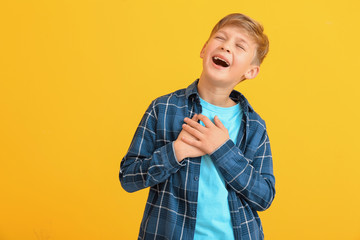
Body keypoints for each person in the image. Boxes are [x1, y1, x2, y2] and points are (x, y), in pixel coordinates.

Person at [119, 13, 275, 240]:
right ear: (204, 49)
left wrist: (222, 150)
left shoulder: (255, 126)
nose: (226, 47)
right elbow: (128, 178)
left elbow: (264, 198)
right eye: (221, 38)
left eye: (239, 46)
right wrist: (175, 152)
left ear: (250, 72)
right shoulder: (163, 108)